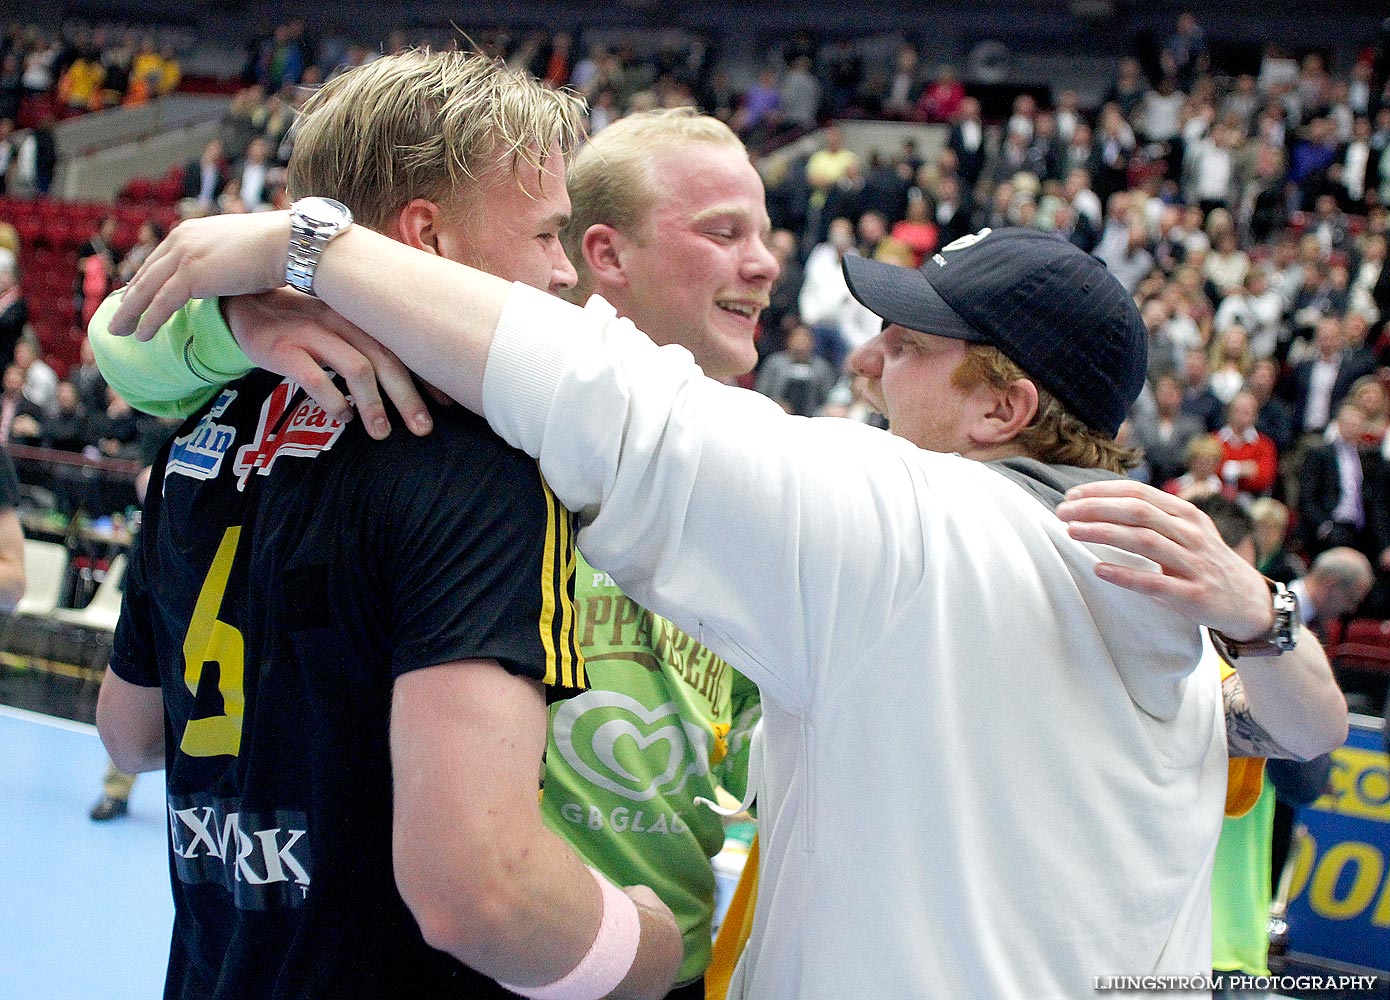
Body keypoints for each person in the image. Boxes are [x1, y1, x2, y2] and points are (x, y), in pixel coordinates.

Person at [110, 220, 1348, 997]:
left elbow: (609, 400)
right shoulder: (1162, 590)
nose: (869, 360)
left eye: (911, 344)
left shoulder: (913, 525)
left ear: (1002, 407)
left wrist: (308, 246)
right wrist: (1272, 622)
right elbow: (1302, 730)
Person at [94, 106, 774, 999]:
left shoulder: (207, 435)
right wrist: (650, 954)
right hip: (525, 954)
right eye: (548, 233)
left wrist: (257, 287)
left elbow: (129, 731)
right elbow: (477, 888)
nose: (764, 261)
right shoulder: (480, 441)